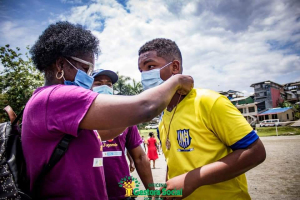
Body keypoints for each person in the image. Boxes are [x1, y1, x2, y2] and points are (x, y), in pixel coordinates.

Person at [22, 22, 193, 199]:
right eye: (86, 69)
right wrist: (177, 81)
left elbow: (105, 132)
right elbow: (145, 108)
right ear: (60, 65)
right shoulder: (58, 97)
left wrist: (124, 116)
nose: (88, 78)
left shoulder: (46, 101)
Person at [138, 38, 266, 199]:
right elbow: (174, 164)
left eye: (150, 67)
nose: (144, 76)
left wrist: (192, 179)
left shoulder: (209, 102)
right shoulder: (164, 117)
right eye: (141, 71)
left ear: (175, 67)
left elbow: (256, 152)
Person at [92, 69, 155, 200]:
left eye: (109, 84)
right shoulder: (79, 117)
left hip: (123, 194)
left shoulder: (125, 118)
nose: (104, 87)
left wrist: (152, 193)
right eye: (98, 83)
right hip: (89, 193)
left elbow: (140, 157)